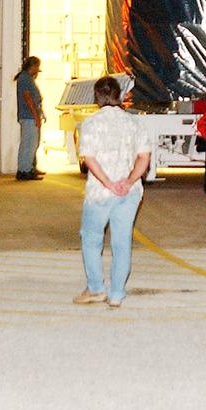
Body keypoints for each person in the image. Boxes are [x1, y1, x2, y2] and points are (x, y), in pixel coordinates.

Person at [73, 76, 151, 309]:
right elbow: (144, 157)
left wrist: (108, 182)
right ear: (119, 95)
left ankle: (96, 288)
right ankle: (117, 293)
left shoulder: (91, 123)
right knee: (121, 240)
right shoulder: (134, 123)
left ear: (97, 97)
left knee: (91, 238)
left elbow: (89, 158)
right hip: (129, 192)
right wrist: (128, 181)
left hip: (100, 193)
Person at [14, 56, 46, 181]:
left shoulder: (25, 78)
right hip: (29, 117)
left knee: (29, 143)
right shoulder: (25, 78)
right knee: (29, 144)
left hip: (29, 116)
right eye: (37, 68)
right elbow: (28, 98)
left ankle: (25, 168)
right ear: (32, 67)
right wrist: (36, 116)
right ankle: (25, 170)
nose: (37, 71)